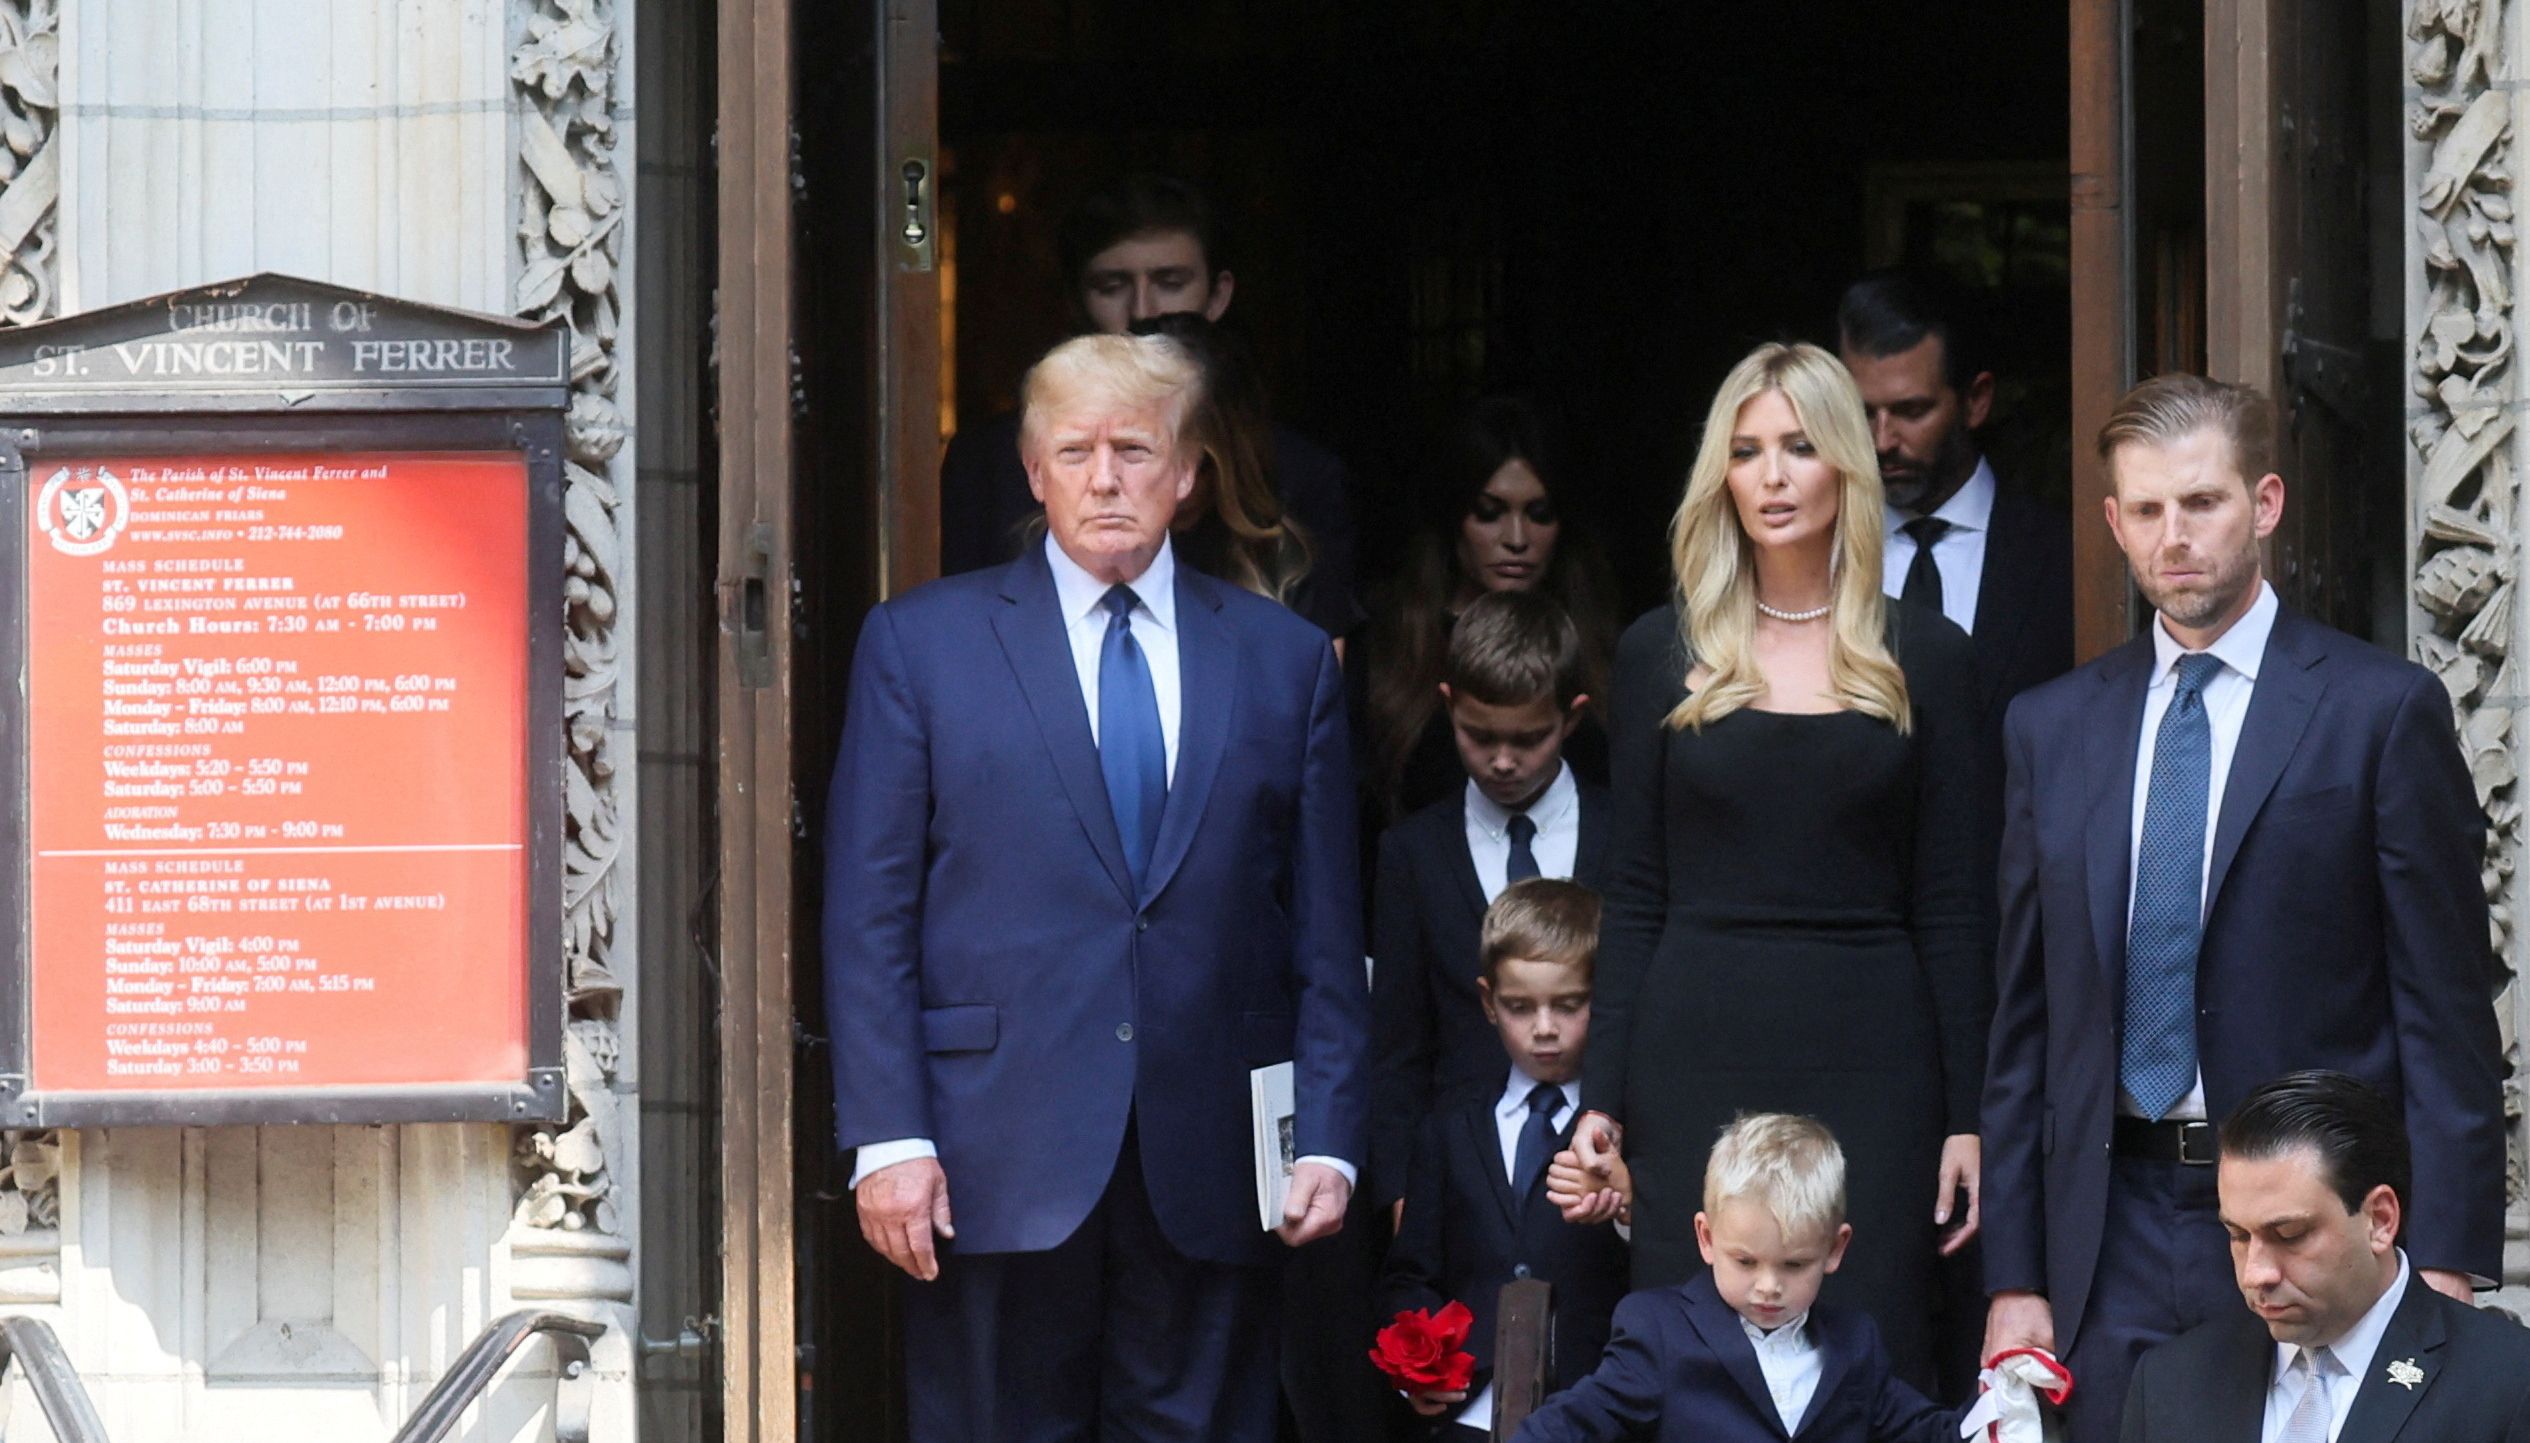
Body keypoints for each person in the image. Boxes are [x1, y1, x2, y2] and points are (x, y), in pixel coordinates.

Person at [824, 331, 1369, 1441]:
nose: (1106, 477)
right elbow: (868, 915)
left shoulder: (1283, 659)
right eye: (1074, 451)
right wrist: (888, 1138)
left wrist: (1329, 1135)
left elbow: (1325, 928)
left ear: (1188, 475)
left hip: (1211, 1159)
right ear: (1032, 473)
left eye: (1135, 448)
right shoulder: (920, 646)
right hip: (988, 1156)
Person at [1979, 374, 2501, 1443]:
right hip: (2104, 1234)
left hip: (2311, 1228)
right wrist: (2015, 1275)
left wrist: (2442, 1261)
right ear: (2116, 523)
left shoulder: (2378, 712)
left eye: (2203, 503)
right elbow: (2025, 1026)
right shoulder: (2050, 728)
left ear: (2263, 505)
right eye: (2150, 511)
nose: (2177, 537)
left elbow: (2445, 1014)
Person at [1561, 342, 1989, 1390]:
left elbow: (1953, 907)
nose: (1774, 474)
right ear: (1722, 477)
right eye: (1747, 451)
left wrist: (1970, 1114)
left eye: (1800, 446)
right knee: (1696, 1364)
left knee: (1873, 1350)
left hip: (1878, 1059)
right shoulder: (1659, 651)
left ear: (1846, 463)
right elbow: (1636, 892)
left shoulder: (1929, 657)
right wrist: (1602, 1095)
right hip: (1691, 1049)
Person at [1838, 266, 2072, 1400]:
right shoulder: (1809, 565)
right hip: (1862, 977)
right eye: (1861, 410)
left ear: (1976, 399)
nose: (1880, 438)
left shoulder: (2068, 558)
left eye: (1911, 409)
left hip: (2032, 965)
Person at [937, 173, 1362, 641]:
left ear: (1220, 294)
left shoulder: (1298, 472)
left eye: (1170, 281)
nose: (1141, 309)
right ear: (1075, 302)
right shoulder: (990, 464)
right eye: (1111, 285)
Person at [2120, 1070, 2530, 1441]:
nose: (2256, 1274)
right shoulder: (2169, 1383)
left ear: (2380, 1220)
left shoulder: (2508, 1382)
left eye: (2289, 1235)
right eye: (2238, 1235)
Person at [1372, 590, 1611, 1215]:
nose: (1503, 761)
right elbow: (1398, 1044)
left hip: (1600, 1180)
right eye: (1478, 737)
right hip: (1457, 1191)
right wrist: (1401, 1193)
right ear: (1447, 707)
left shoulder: (1627, 838)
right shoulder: (1412, 854)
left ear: (1573, 718)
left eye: (1529, 739)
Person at [1515, 1114, 1956, 1442]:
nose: (1768, 1285)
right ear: (1706, 1238)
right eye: (1745, 1262)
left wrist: (2010, 1392)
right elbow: (1575, 1422)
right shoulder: (1658, 1331)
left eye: (1793, 1264)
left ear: (1835, 1249)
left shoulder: (1855, 1344)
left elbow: (1934, 1434)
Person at [1380, 879, 1632, 1438]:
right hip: (1469, 1413)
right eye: (1520, 1007)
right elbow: (1412, 1273)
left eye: (1569, 1006)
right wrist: (1414, 1373)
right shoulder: (1448, 1127)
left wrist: (1626, 1211)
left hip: (1597, 1412)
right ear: (1488, 1002)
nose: (1545, 1029)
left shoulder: (1630, 1132)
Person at [1361, 396, 1619, 824]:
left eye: (1540, 514)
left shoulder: (1598, 649)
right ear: (1453, 518)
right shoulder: (1394, 650)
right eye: (1489, 512)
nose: (1516, 538)